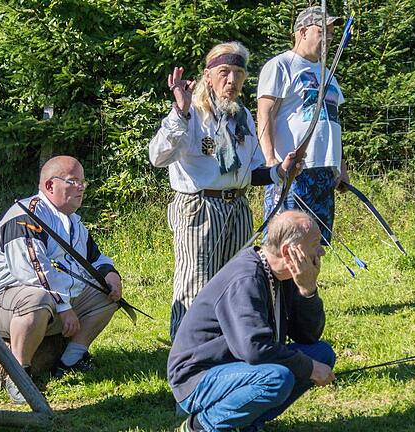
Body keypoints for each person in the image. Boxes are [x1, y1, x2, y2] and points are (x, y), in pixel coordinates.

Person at [149, 41, 299, 341]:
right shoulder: (189, 115)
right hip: (199, 208)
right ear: (208, 75)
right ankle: (186, 352)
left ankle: (224, 344)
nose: (232, 80)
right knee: (196, 282)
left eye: (239, 73)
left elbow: (250, 172)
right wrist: (179, 111)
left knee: (237, 280)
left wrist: (280, 171)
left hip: (237, 208)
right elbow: (158, 157)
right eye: (224, 72)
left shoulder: (241, 116)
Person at [168, 210, 336, 432]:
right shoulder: (246, 279)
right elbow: (255, 349)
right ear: (289, 251)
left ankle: (247, 422)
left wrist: (308, 291)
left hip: (237, 367)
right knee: (277, 378)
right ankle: (199, 426)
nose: (321, 251)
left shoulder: (282, 273)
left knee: (321, 353)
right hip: (197, 377)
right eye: (315, 244)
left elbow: (308, 336)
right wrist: (309, 368)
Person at [0, 155, 123, 403]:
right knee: (37, 298)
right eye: (73, 181)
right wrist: (65, 308)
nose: (81, 187)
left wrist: (111, 275)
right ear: (49, 186)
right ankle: (19, 377)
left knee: (105, 294)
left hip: (48, 300)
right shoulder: (25, 216)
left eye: (82, 182)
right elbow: (33, 273)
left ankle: (70, 361)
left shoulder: (73, 222)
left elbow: (94, 258)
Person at [257, 5, 350, 245]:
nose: (329, 38)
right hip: (294, 170)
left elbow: (332, 121)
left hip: (324, 170)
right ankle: (279, 284)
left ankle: (308, 284)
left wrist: (340, 165)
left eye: (331, 33)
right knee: (285, 242)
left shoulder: (327, 72)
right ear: (303, 31)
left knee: (316, 244)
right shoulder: (281, 65)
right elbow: (265, 113)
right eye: (323, 31)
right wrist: (270, 162)